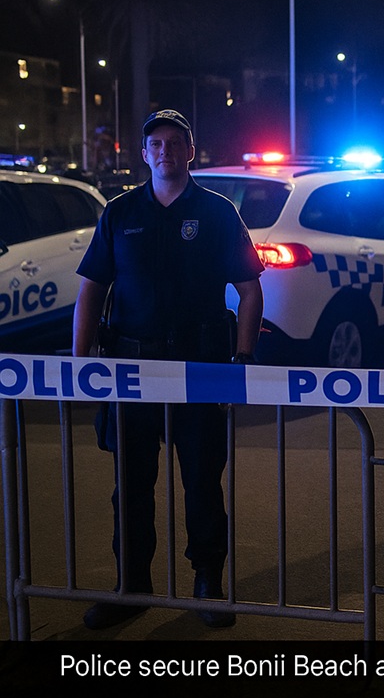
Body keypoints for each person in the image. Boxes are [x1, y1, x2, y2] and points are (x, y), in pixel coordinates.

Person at [73, 109, 265, 630]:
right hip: (132, 368)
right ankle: (131, 586)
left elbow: (250, 291)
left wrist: (241, 362)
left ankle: (209, 583)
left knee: (202, 480)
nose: (165, 150)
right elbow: (91, 288)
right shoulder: (119, 212)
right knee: (130, 485)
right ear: (143, 153)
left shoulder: (219, 212)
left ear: (190, 150)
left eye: (175, 142)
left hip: (199, 366)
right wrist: (80, 361)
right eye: (156, 143)